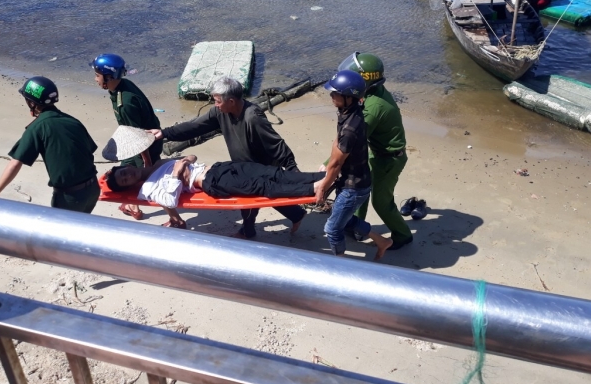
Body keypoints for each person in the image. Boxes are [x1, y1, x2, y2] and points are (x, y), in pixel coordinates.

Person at [149, 76, 306, 239]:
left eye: (217, 101)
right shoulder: (220, 112)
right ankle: (296, 214)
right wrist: (165, 133)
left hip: (261, 166)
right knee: (261, 194)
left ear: (231, 101)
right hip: (241, 164)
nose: (215, 105)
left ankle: (248, 231)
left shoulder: (253, 117)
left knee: (251, 197)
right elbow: (195, 126)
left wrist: (292, 170)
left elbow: (276, 143)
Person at [105, 157, 324, 233]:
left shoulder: (158, 164)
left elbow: (190, 155)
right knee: (263, 187)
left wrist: (185, 161)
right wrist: (177, 172)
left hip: (218, 167)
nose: (127, 174)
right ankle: (313, 189)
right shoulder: (147, 189)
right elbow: (170, 199)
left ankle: (319, 177)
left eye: (123, 172)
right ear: (129, 185)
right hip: (212, 182)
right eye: (125, 180)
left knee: (271, 172)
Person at [337, 53, 413, 250]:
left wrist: (328, 165)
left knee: (381, 201)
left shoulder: (373, 108)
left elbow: (348, 141)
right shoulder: (374, 91)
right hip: (375, 152)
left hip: (389, 159)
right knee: (360, 189)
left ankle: (403, 235)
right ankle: (357, 226)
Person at [314, 70, 393, 260]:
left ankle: (340, 265)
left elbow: (335, 163)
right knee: (345, 220)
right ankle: (382, 241)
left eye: (335, 93)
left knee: (332, 229)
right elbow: (337, 144)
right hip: (356, 180)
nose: (331, 96)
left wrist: (322, 188)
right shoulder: (350, 112)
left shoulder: (351, 127)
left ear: (349, 96)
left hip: (354, 187)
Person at [0, 76, 100, 213]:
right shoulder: (73, 121)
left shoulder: (38, 127)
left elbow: (15, 163)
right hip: (93, 190)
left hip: (69, 197)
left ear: (32, 103)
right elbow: (89, 151)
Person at [91, 53, 164, 223]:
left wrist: (146, 161)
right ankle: (134, 205)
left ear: (108, 77)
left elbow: (139, 136)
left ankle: (135, 207)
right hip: (140, 138)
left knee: (131, 175)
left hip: (145, 144)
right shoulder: (122, 86)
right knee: (127, 168)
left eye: (97, 75)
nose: (95, 79)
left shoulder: (126, 103)